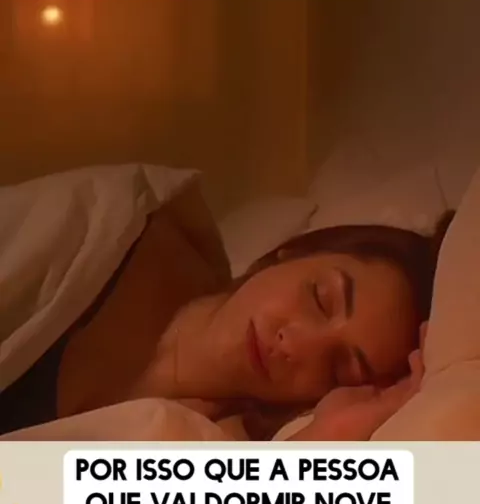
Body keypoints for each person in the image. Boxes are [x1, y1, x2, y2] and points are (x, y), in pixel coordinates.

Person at [0, 189, 454, 440]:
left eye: (338, 368)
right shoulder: (112, 236)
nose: (296, 344)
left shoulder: (211, 448)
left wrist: (324, 440)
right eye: (321, 299)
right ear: (292, 252)